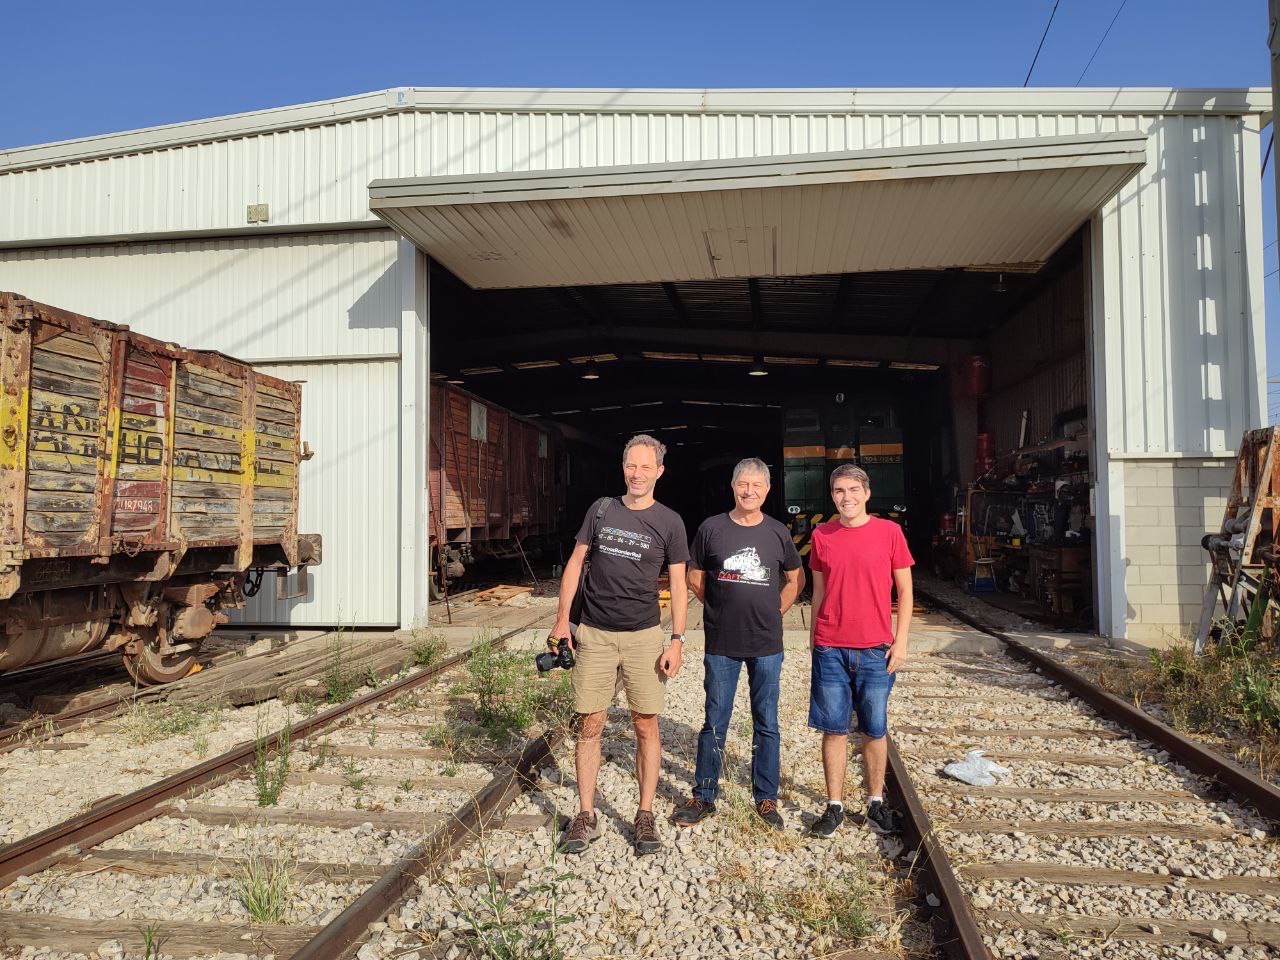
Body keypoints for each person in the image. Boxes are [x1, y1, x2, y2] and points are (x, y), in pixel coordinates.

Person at [550, 434, 689, 856]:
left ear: (659, 471)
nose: (637, 474)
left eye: (646, 467)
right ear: (623, 467)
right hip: (594, 634)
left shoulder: (670, 522)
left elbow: (679, 585)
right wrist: (562, 620)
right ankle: (586, 814)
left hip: (644, 637)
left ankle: (644, 815)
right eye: (631, 465)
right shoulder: (601, 509)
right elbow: (576, 563)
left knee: (645, 725)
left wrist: (677, 640)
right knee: (590, 724)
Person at [672, 458, 803, 830]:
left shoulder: (777, 532)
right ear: (732, 487)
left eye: (757, 485)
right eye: (743, 484)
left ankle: (766, 799)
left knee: (767, 722)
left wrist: (777, 609)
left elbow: (795, 577)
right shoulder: (711, 528)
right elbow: (694, 576)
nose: (749, 491)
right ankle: (704, 796)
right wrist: (717, 606)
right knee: (715, 720)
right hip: (722, 642)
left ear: (767, 490)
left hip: (767, 643)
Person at [806, 464, 913, 837]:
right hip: (831, 647)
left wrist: (901, 641)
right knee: (833, 729)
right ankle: (834, 806)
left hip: (875, 650)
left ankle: (875, 803)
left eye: (853, 490)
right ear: (832, 496)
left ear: (867, 493)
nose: (846, 497)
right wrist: (814, 641)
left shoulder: (890, 533)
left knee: (874, 729)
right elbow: (819, 592)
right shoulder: (822, 535)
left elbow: (905, 591)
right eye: (839, 491)